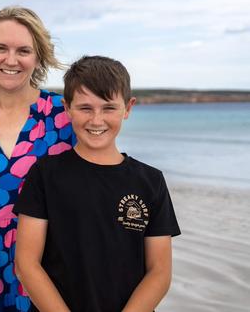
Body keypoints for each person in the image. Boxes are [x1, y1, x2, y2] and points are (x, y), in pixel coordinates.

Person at [13, 56, 181, 311]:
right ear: (67, 107)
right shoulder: (45, 174)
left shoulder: (151, 181)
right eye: (85, 108)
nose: (96, 120)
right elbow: (26, 264)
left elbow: (159, 273)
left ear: (128, 108)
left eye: (108, 108)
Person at [0, 6, 74, 312]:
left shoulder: (64, 116)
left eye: (23, 50)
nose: (11, 60)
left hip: (50, 271)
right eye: (1, 48)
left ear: (38, 57)